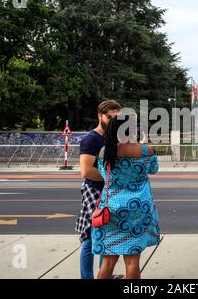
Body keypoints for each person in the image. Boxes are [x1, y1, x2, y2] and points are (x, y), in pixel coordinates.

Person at [92, 115, 160, 279]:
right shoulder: (146, 150)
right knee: (132, 261)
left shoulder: (105, 152)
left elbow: (103, 175)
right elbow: (153, 169)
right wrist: (143, 143)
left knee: (107, 261)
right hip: (138, 209)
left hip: (112, 209)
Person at [75, 100, 121, 279]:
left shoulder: (113, 138)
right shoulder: (91, 139)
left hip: (109, 192)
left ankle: (105, 274)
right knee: (90, 237)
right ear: (100, 116)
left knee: (107, 235)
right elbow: (86, 171)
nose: (112, 121)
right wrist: (112, 179)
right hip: (94, 191)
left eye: (116, 118)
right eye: (109, 117)